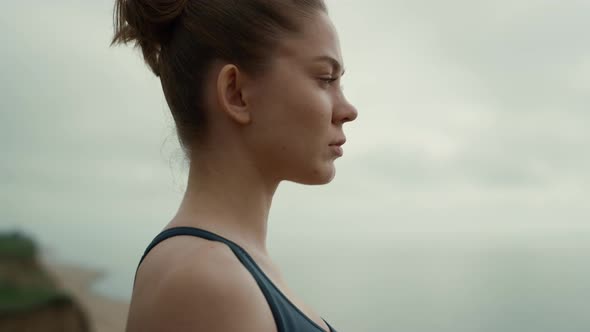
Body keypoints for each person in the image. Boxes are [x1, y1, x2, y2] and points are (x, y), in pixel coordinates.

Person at [111, 0, 358, 331]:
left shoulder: (231, 269)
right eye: (325, 78)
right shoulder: (205, 282)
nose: (348, 109)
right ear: (236, 93)